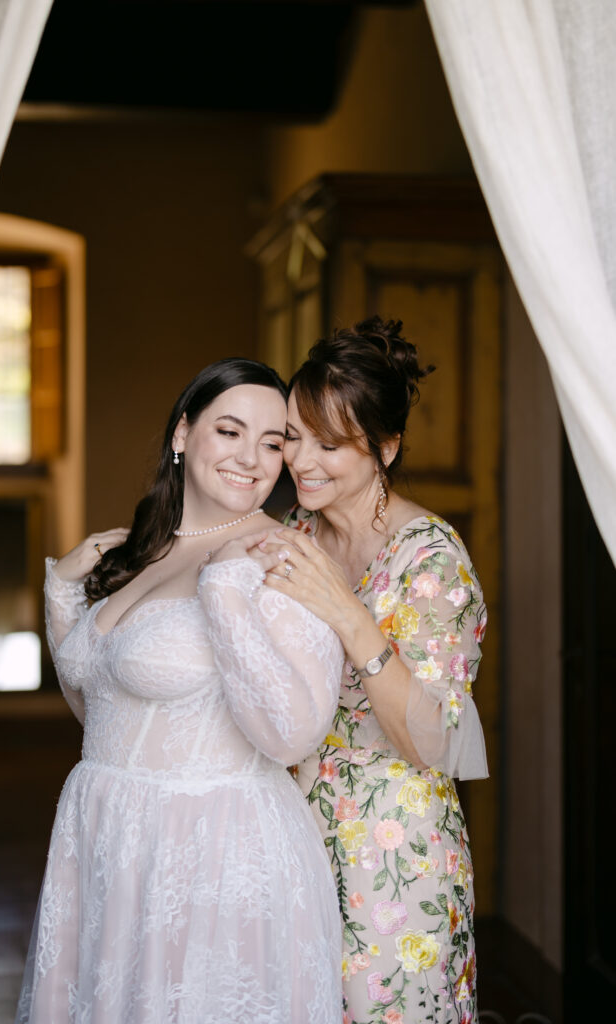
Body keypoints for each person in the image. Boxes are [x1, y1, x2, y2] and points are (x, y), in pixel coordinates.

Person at [15, 357, 344, 1024]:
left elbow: (294, 733)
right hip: (110, 836)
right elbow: (98, 708)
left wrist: (225, 598)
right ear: (182, 434)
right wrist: (62, 597)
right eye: (229, 431)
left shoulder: (277, 557)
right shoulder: (148, 546)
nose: (252, 458)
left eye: (273, 442)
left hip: (212, 852)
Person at [262, 317, 488, 1024]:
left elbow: (431, 743)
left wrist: (349, 614)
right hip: (293, 830)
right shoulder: (295, 534)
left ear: (385, 449)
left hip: (396, 848)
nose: (302, 461)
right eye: (294, 436)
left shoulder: (431, 559)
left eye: (330, 444)